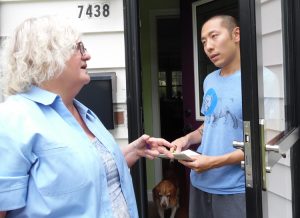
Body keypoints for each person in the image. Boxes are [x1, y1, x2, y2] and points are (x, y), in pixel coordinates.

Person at [0, 15, 173, 218]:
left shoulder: (84, 113)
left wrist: (133, 151)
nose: (87, 55)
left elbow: (91, 173)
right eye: (79, 48)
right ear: (47, 56)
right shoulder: (13, 118)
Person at [171, 15, 245, 218]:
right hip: (199, 184)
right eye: (204, 41)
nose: (208, 47)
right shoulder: (209, 80)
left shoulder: (259, 80)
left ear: (235, 34)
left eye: (214, 36)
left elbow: (261, 145)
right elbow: (209, 126)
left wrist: (212, 162)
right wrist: (186, 139)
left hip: (234, 190)